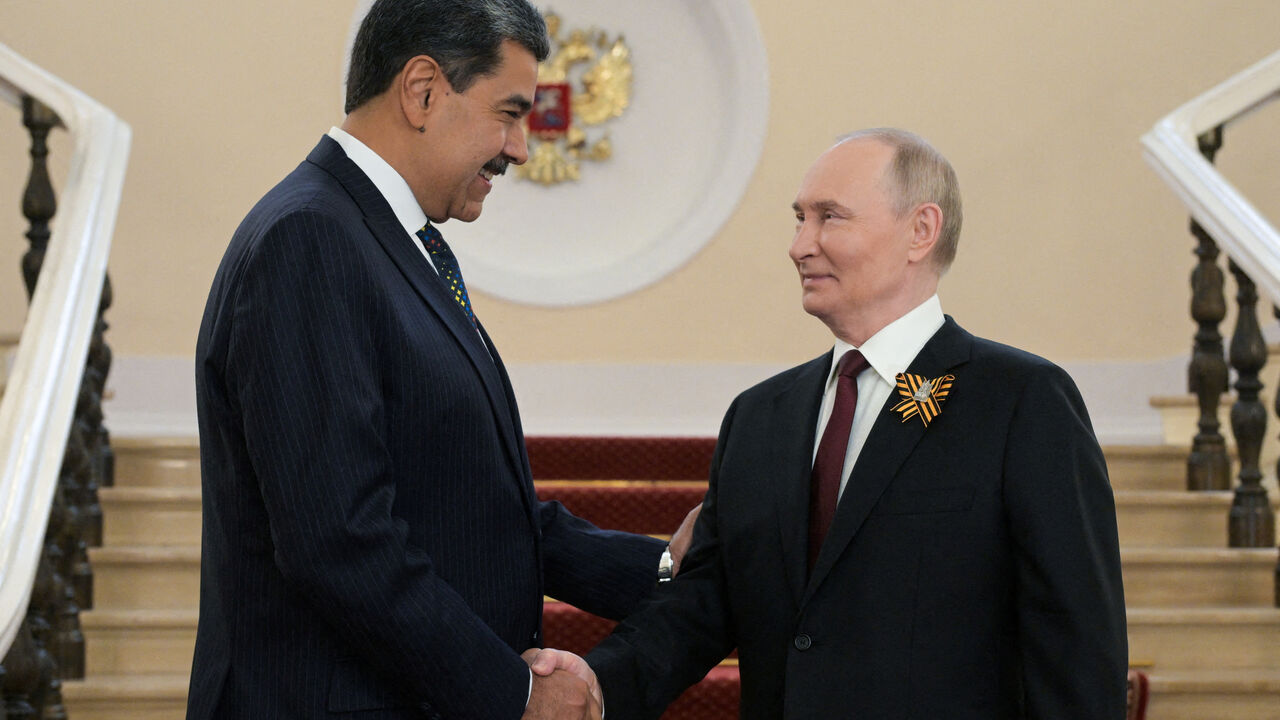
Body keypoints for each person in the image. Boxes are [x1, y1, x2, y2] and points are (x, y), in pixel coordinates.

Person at [188, 2, 691, 718]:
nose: (519, 147)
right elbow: (341, 543)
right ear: (423, 91)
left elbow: (466, 504)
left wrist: (667, 568)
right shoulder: (309, 239)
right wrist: (514, 693)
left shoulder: (391, 240)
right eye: (509, 112)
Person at [538, 129, 1128, 718]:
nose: (800, 245)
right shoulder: (760, 416)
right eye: (799, 219)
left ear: (921, 231)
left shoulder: (1020, 400)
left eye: (829, 218)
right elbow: (705, 603)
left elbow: (1075, 643)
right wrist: (597, 684)